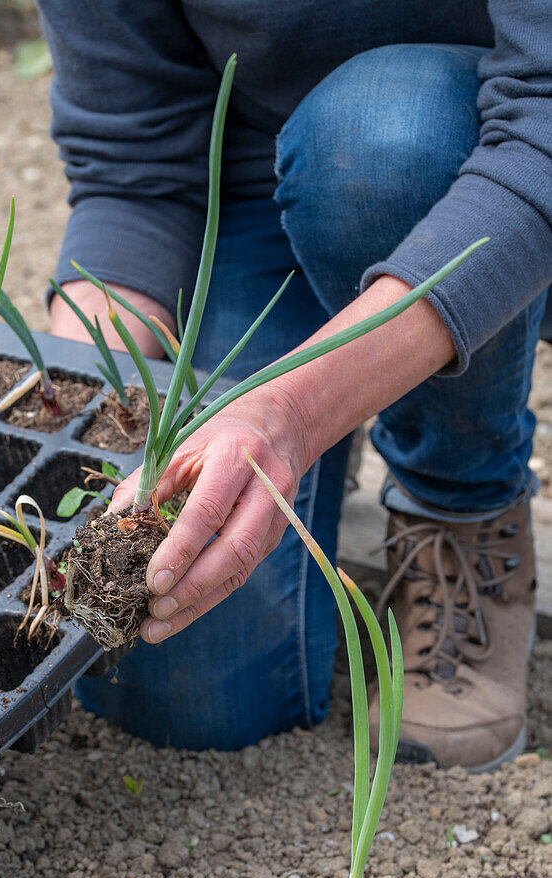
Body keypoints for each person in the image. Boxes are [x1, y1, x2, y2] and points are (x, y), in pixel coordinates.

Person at [35, 1, 552, 770]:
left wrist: (291, 413)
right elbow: (134, 169)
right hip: (248, 189)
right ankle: (336, 409)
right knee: (180, 682)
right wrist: (59, 419)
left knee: (381, 140)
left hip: (474, 172)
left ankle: (459, 502)